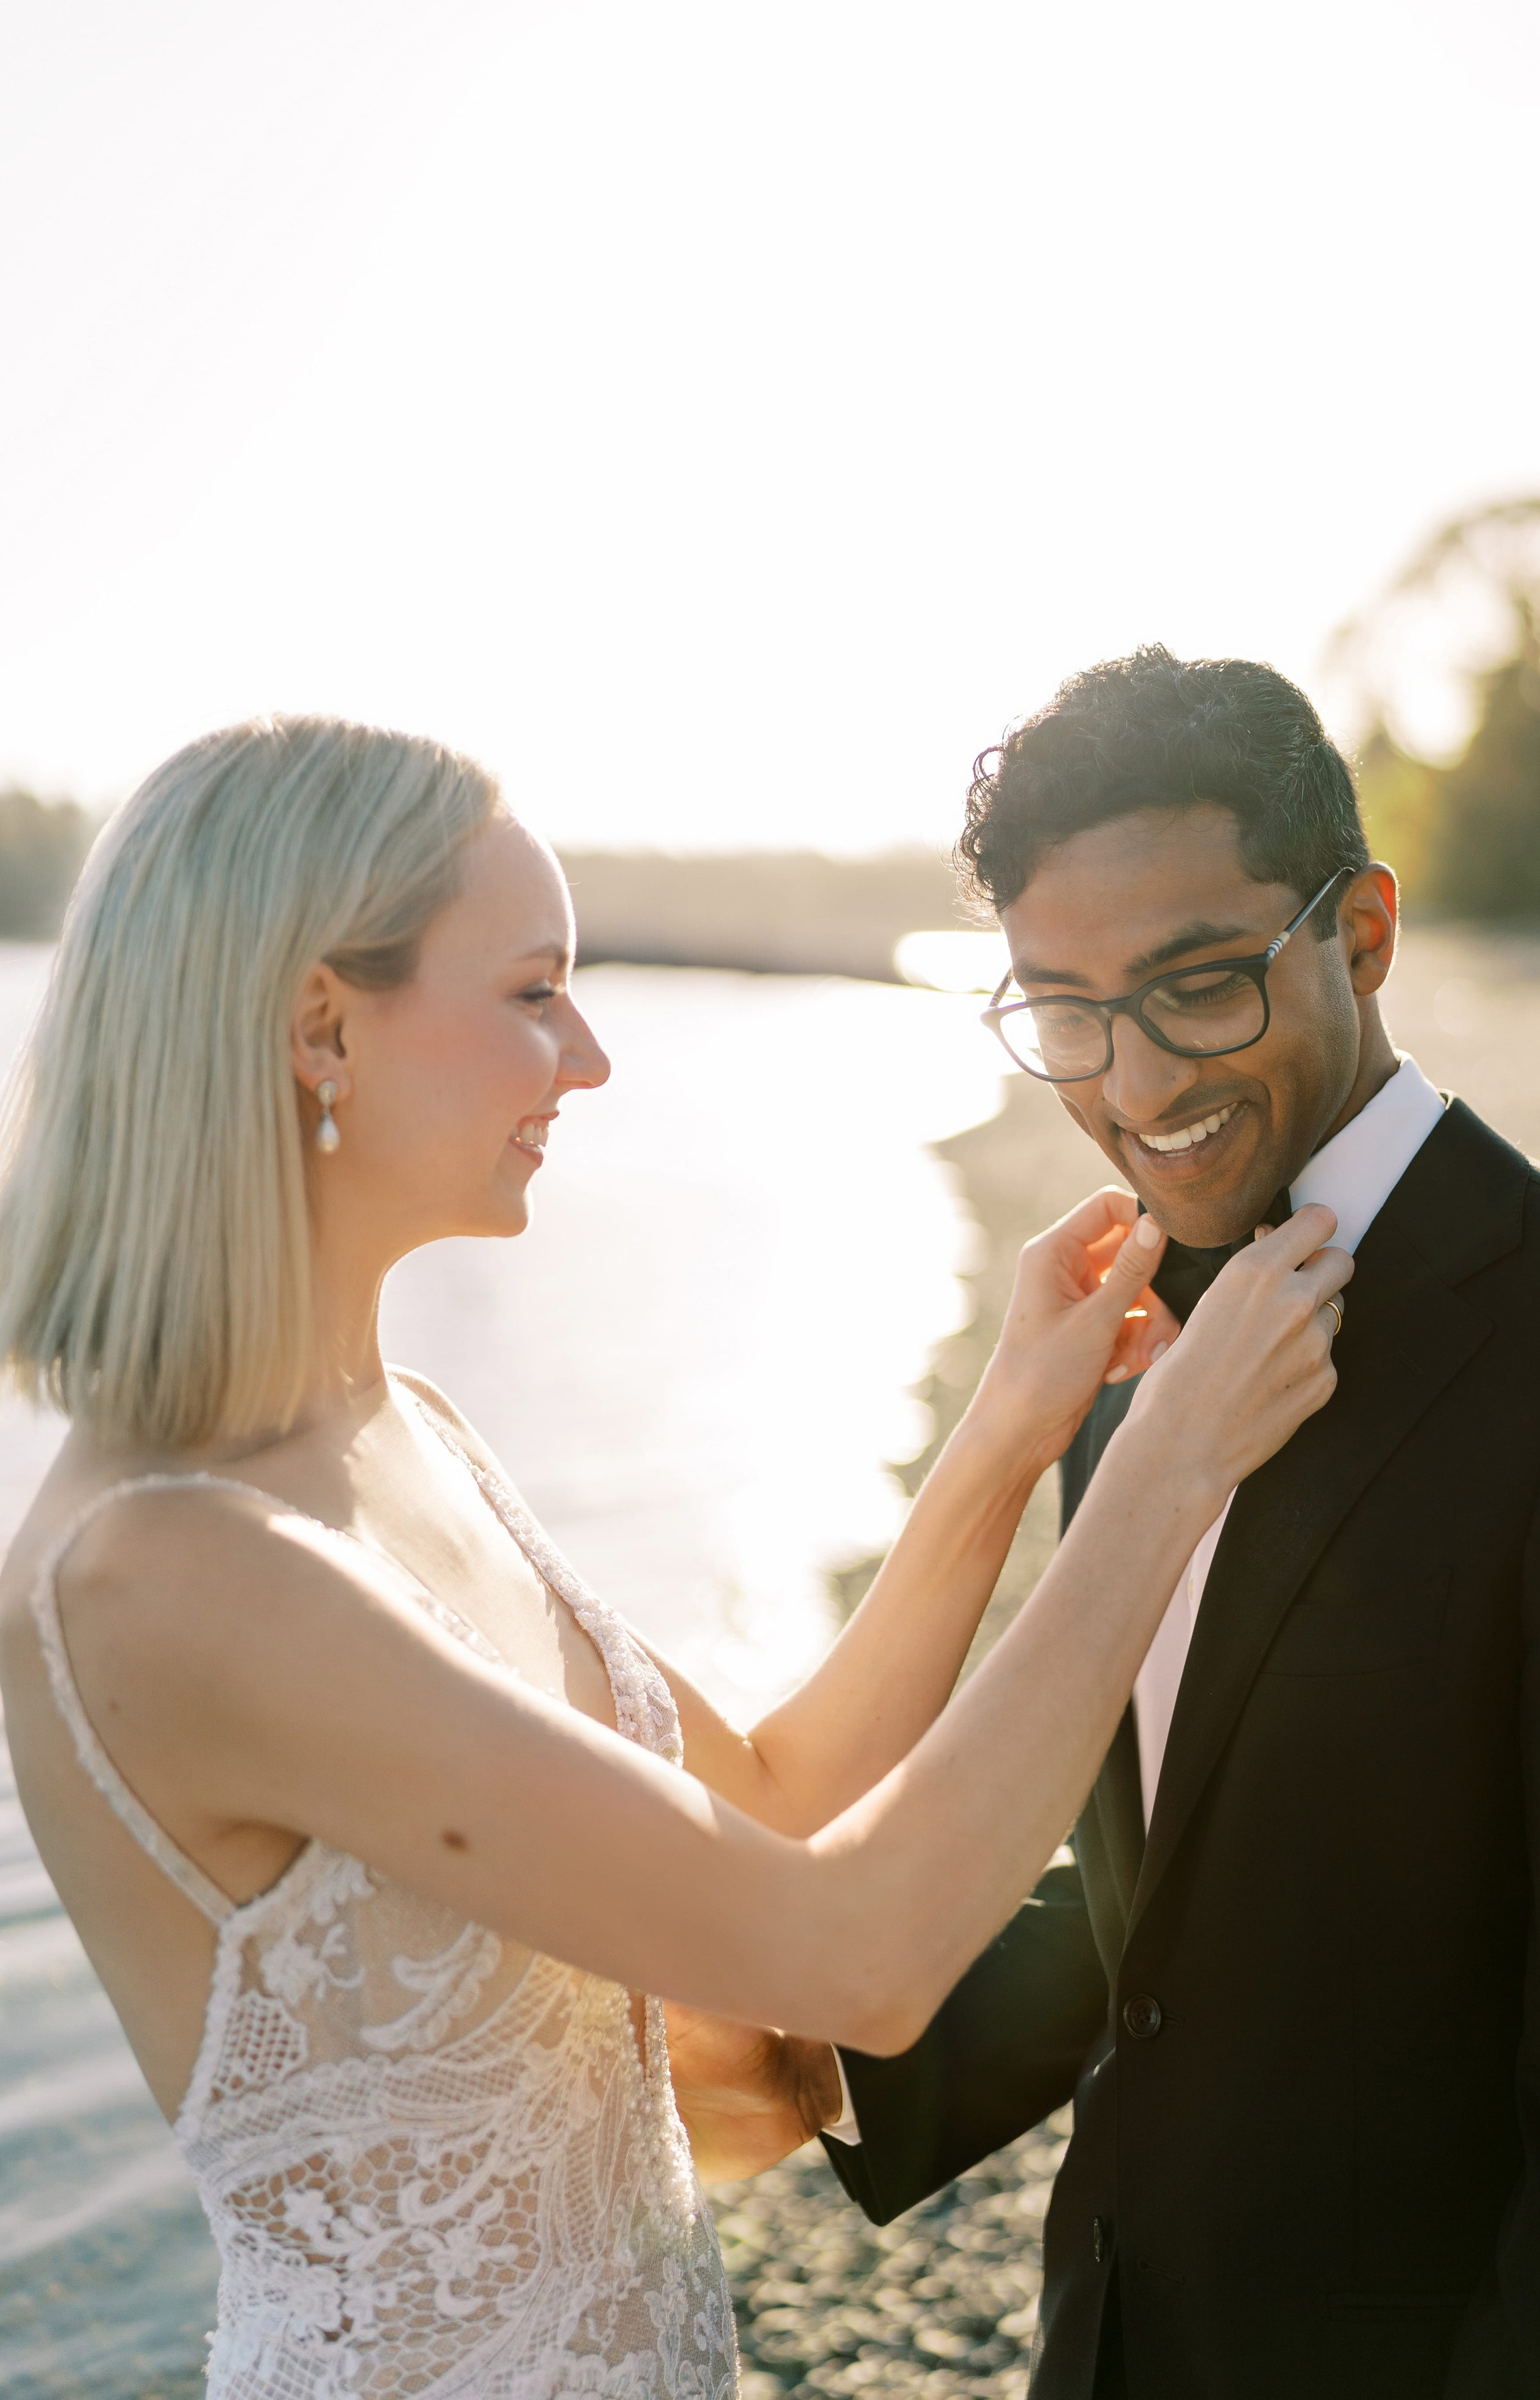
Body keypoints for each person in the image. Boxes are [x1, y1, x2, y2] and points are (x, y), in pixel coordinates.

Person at [0, 713, 1345, 2399]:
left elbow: (773, 1801)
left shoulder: (405, 1427)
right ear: (319, 1026)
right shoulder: (165, 1573)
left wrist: (1010, 1424)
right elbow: (849, 1946)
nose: (589, 1058)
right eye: (532, 991)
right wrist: (1166, 1468)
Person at [680, 649, 1540, 2399]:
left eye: (1195, 986)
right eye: (1062, 1009)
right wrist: (840, 2056)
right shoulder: (1132, 1335)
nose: (1130, 1079)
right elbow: (1179, 1864)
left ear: (1363, 932)